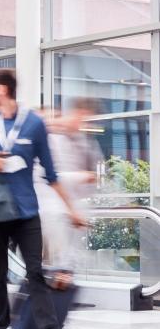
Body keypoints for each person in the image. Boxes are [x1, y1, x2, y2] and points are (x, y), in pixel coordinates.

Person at [0, 68, 85, 329]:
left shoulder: (33, 123)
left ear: (2, 90)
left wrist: (72, 210)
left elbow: (51, 172)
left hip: (25, 211)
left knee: (35, 272)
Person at [36, 98, 101, 273]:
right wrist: (82, 177)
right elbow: (49, 177)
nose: (56, 121)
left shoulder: (73, 140)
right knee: (52, 265)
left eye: (58, 116)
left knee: (59, 265)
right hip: (47, 213)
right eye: (52, 117)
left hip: (63, 212)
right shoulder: (46, 142)